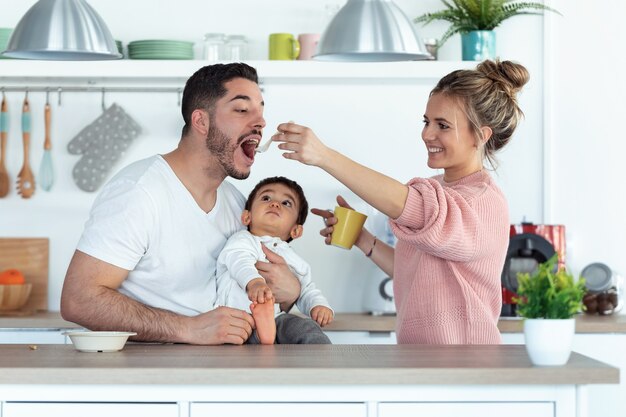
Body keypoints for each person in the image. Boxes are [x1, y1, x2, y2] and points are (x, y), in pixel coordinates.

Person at [271, 59, 530, 344]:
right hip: (422, 358)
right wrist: (362, 238)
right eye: (427, 122)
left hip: (465, 363)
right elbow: (414, 271)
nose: (427, 134)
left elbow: (413, 206)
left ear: (481, 136)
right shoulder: (439, 188)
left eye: (442, 125)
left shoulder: (483, 201)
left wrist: (324, 156)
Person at [60, 63, 302, 345]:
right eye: (241, 109)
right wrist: (187, 329)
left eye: (261, 110)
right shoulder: (139, 192)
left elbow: (253, 281)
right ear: (201, 121)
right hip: (145, 378)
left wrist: (292, 289)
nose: (260, 122)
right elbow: (78, 300)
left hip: (217, 369)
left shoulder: (236, 203)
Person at [216, 176, 333, 344]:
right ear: (247, 217)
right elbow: (238, 261)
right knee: (243, 339)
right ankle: (261, 338)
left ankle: (323, 365)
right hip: (238, 319)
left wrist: (319, 306)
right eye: (266, 198)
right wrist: (254, 282)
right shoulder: (243, 240)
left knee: (306, 328)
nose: (275, 204)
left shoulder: (295, 261)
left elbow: (306, 289)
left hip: (276, 319)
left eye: (286, 203)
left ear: (296, 231)